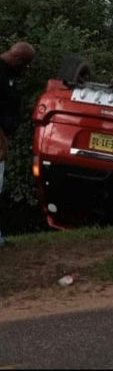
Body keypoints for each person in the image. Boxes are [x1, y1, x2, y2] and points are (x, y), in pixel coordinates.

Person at [0, 41, 35, 246]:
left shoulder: (9, 73)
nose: (26, 70)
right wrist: (3, 143)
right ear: (18, 59)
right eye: (26, 64)